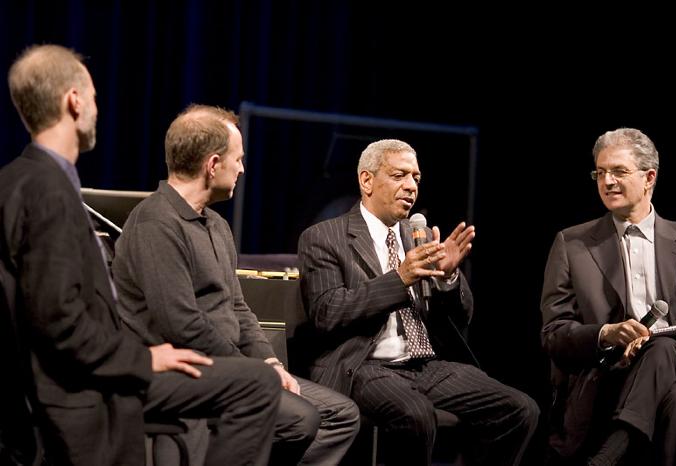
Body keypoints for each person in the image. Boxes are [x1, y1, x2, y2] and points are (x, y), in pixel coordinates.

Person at [0, 44, 282, 466]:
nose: (97, 107)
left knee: (257, 379)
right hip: (83, 386)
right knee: (257, 383)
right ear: (74, 101)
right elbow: (56, 318)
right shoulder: (48, 191)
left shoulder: (16, 178)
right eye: (94, 96)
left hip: (76, 371)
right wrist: (143, 356)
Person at [111, 104, 360, 465]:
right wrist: (253, 371)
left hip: (235, 366)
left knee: (340, 416)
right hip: (191, 371)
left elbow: (239, 309)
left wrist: (270, 361)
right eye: (238, 159)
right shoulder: (156, 223)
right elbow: (182, 325)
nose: (242, 168)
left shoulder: (217, 226)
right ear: (212, 165)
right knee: (301, 418)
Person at [296, 138, 540, 466]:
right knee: (416, 416)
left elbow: (461, 318)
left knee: (520, 409)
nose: (411, 186)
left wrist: (447, 278)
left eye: (416, 178)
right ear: (366, 180)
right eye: (400, 176)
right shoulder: (325, 237)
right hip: (363, 365)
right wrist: (400, 278)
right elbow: (328, 312)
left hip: (425, 365)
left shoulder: (418, 236)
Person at [541, 127, 676, 466]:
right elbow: (553, 334)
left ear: (649, 177)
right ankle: (618, 445)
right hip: (608, 376)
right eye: (600, 173)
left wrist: (651, 340)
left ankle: (608, 456)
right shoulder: (572, 244)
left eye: (619, 171)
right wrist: (606, 333)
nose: (607, 181)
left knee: (663, 347)